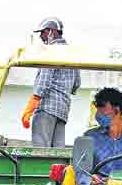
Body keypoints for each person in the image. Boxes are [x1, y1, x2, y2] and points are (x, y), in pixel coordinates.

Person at [21, 17, 81, 147]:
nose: (41, 37)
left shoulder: (51, 51)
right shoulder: (71, 53)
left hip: (46, 107)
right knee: (57, 152)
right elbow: (76, 85)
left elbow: (44, 81)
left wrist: (31, 107)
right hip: (63, 109)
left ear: (51, 31)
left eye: (42, 32)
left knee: (41, 150)